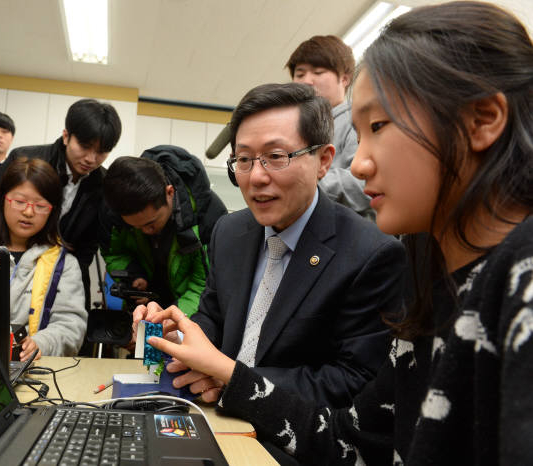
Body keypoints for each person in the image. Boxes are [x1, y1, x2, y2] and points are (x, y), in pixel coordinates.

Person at [142, 2, 533, 463]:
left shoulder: (516, 281)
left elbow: (346, 394)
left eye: (379, 127)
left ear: (483, 120)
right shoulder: (435, 275)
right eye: (244, 160)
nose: (361, 164)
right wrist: (196, 352)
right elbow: (355, 441)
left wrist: (228, 375)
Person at [138, 82, 405, 413]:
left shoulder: (370, 255)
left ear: (323, 160)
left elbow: (353, 380)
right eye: (244, 159)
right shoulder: (229, 232)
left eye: (276, 157)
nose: (256, 177)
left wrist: (235, 379)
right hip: (214, 416)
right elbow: (213, 319)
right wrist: (176, 337)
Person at [0, 157, 87, 360]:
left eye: (40, 206)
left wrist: (41, 343)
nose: (28, 212)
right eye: (19, 202)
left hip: (30, 368)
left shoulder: (63, 264)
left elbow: (71, 325)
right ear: (2, 198)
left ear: (53, 211)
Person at [4, 99, 122, 308]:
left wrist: (66, 274)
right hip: (12, 264)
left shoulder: (104, 184)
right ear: (66, 136)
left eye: (102, 151)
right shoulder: (24, 160)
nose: (91, 159)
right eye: (84, 146)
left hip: (64, 275)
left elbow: (89, 245)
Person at [99, 147, 228, 317]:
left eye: (151, 223)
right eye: (136, 227)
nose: (146, 232)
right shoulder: (113, 212)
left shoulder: (210, 218)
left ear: (169, 192)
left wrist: (169, 321)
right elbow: (115, 254)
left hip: (190, 314)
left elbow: (204, 286)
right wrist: (134, 275)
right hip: (144, 309)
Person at [287, 35, 373, 219]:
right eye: (300, 74)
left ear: (344, 79)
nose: (307, 81)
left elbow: (365, 182)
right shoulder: (292, 128)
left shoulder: (357, 119)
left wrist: (301, 182)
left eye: (318, 72)